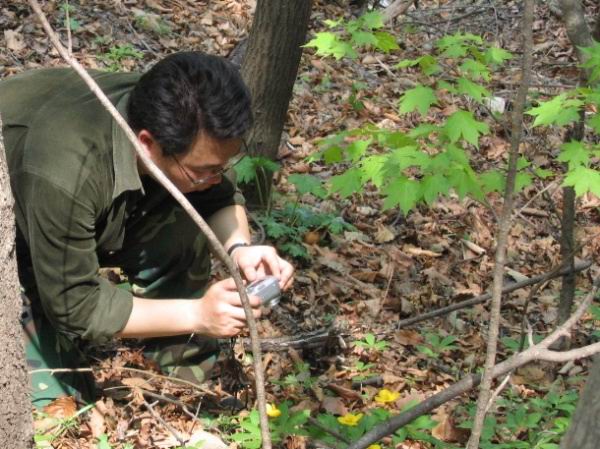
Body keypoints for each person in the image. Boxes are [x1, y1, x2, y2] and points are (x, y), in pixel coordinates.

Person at [0, 51, 294, 407]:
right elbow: (76, 306)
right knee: (51, 405)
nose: (215, 176)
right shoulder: (65, 172)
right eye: (204, 170)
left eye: (220, 165)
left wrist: (240, 248)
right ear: (147, 144)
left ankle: (185, 382)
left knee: (182, 226)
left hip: (61, 209)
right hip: (13, 231)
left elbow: (219, 196)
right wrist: (197, 315)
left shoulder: (188, 120)